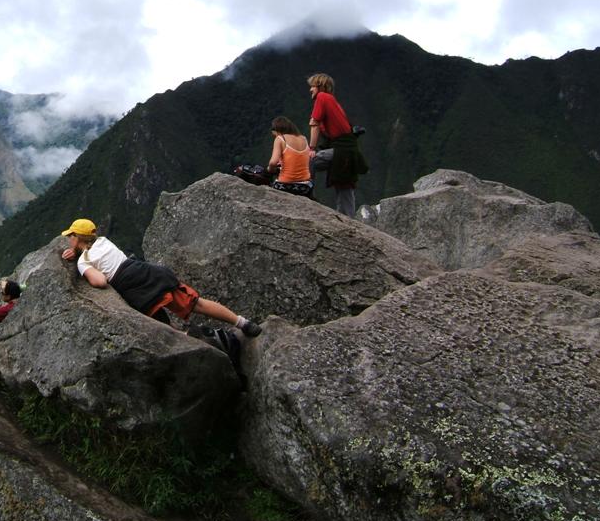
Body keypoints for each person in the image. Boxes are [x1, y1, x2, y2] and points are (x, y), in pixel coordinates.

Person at [58, 218, 262, 338]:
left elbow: (100, 282)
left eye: (71, 236)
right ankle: (242, 323)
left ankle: (202, 342)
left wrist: (79, 261)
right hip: (148, 272)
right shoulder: (103, 240)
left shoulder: (83, 261)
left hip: (134, 290)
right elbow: (93, 248)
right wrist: (78, 251)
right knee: (197, 303)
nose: (68, 239)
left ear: (77, 238)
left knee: (168, 333)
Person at [306, 72, 368, 217]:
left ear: (320, 86)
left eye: (313, 86)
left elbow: (314, 124)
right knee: (344, 186)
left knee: (310, 160)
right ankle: (348, 221)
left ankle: (305, 193)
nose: (310, 89)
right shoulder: (332, 100)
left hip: (342, 151)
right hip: (347, 151)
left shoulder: (322, 97)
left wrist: (312, 148)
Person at [266, 116, 314, 199]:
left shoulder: (280, 139)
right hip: (305, 186)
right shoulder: (304, 138)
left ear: (277, 130)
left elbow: (273, 162)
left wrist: (270, 169)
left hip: (286, 185)